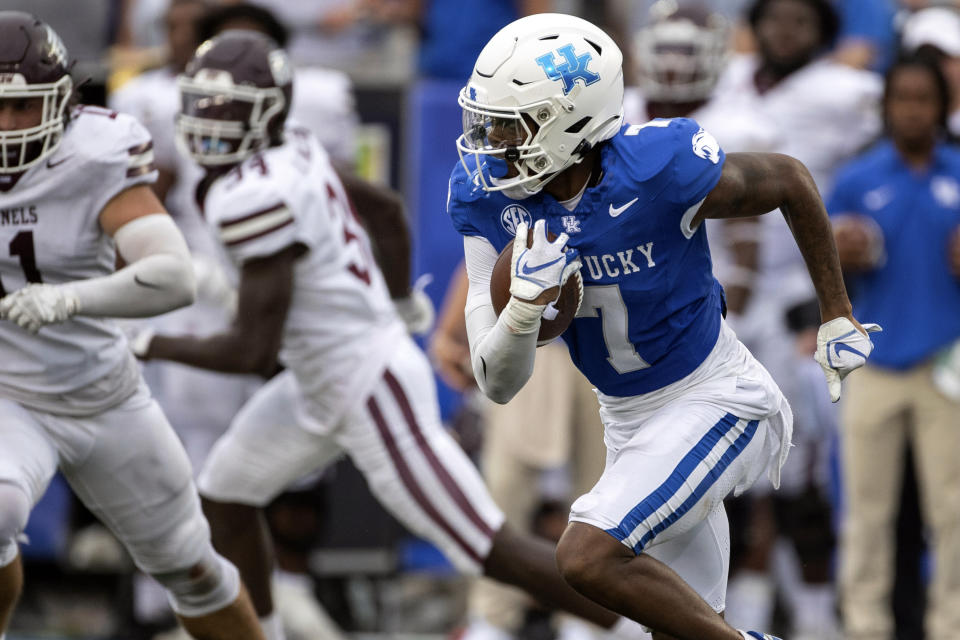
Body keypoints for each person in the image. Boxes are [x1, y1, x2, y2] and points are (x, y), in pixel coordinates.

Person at [136, 29, 651, 640]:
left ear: (269, 113)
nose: (206, 122)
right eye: (199, 104)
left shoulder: (253, 193)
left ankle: (639, 622)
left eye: (226, 110)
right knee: (225, 494)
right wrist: (402, 299)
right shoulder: (296, 149)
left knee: (487, 547)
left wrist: (145, 343)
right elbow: (385, 211)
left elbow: (252, 350)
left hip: (365, 382)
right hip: (318, 377)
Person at [449, 12, 879, 640]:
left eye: (509, 125)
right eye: (485, 121)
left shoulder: (655, 168)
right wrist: (521, 310)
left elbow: (788, 178)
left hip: (718, 399)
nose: (489, 142)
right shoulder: (489, 196)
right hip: (626, 420)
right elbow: (496, 380)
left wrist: (836, 311)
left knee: (586, 553)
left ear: (570, 120)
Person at [0, 12, 265, 640]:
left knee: (190, 567)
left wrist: (70, 301)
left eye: (21, 108)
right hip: (10, 393)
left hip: (103, 392)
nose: (6, 127)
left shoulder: (93, 155)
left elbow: (172, 276)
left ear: (62, 103)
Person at [826, 53, 960, 640]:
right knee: (867, 513)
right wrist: (841, 250)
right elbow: (823, 260)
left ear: (943, 106)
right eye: (902, 97)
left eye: (923, 98)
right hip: (874, 364)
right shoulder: (858, 179)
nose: (913, 109)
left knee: (953, 516)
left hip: (947, 364)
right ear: (885, 106)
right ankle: (864, 628)